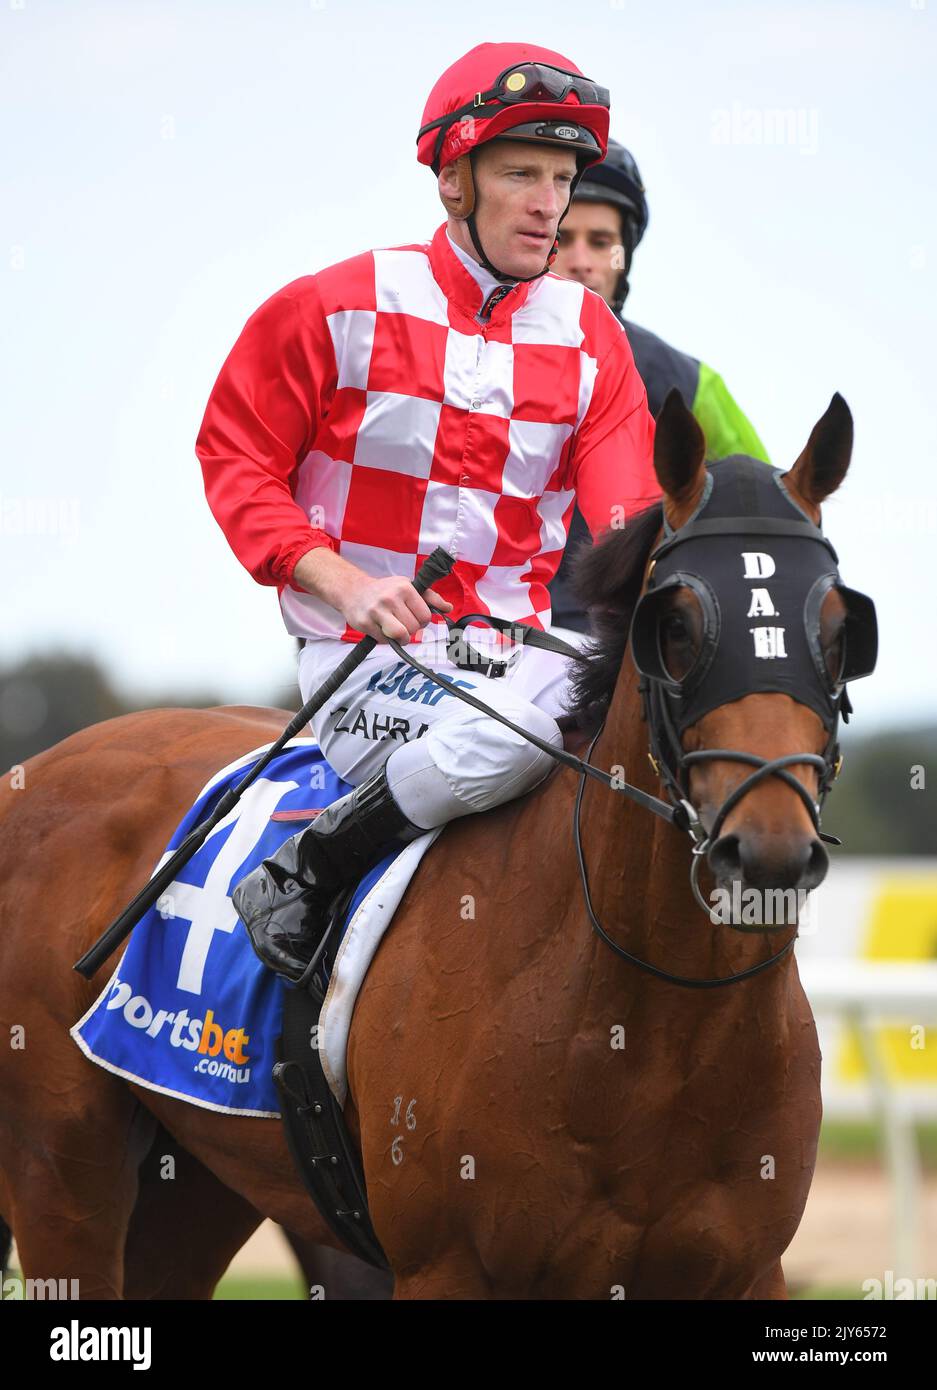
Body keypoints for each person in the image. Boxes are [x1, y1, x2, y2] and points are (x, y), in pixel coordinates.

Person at [195, 43, 661, 983]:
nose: (548, 204)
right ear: (455, 181)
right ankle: (307, 871)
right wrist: (341, 581)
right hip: (366, 663)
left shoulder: (591, 340)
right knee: (529, 738)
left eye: (563, 179)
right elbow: (235, 457)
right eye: (520, 174)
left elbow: (628, 522)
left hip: (527, 658)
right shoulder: (333, 305)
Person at [548, 139, 769, 633]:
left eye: (601, 242)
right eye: (563, 238)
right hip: (479, 649)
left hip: (629, 660)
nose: (581, 260)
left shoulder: (689, 384)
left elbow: (766, 513)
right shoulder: (463, 356)